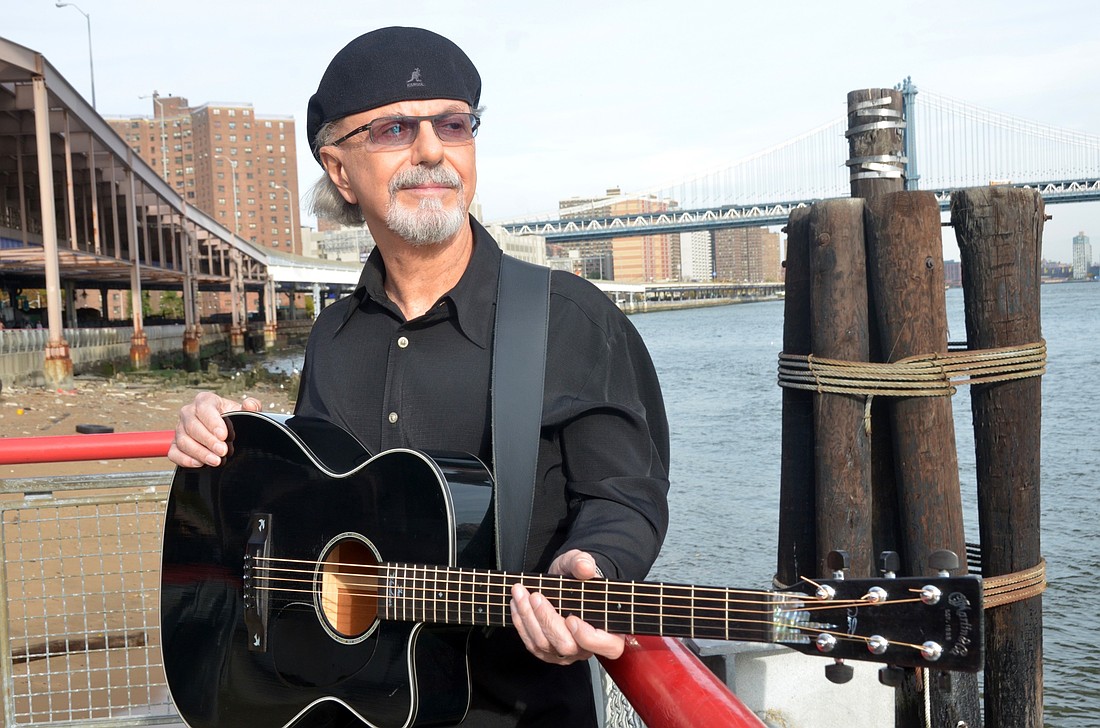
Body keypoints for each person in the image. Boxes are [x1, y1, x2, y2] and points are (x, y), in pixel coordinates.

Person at [168, 26, 670, 727]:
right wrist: (238, 448)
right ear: (340, 172)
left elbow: (625, 494)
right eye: (395, 129)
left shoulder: (566, 318)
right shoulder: (333, 336)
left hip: (520, 712)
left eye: (453, 124)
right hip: (347, 704)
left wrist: (596, 565)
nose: (432, 149)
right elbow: (308, 506)